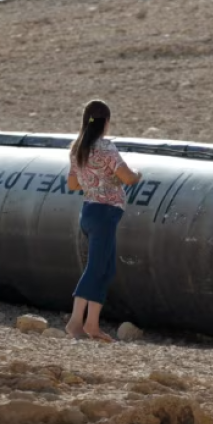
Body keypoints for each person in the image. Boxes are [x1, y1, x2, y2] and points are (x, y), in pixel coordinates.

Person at [65, 99, 141, 342]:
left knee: (106, 269)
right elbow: (127, 177)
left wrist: (94, 180)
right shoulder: (106, 148)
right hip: (105, 214)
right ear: (106, 122)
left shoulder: (78, 148)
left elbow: (72, 183)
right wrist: (138, 174)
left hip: (89, 212)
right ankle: (76, 321)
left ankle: (92, 323)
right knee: (97, 268)